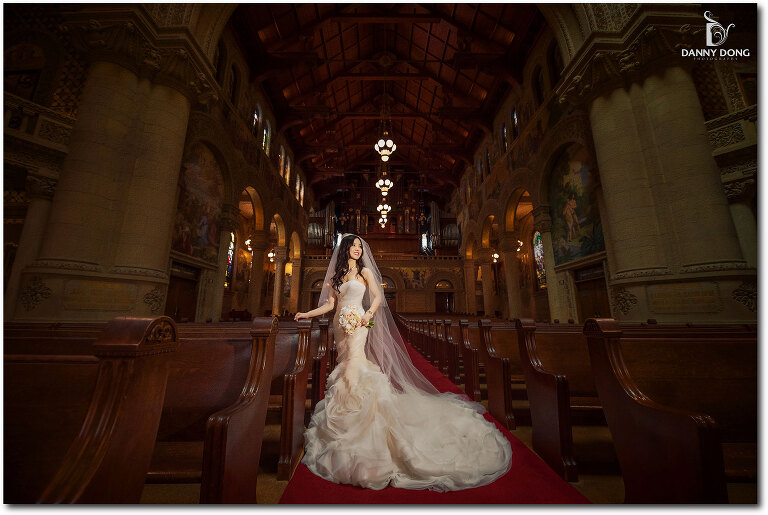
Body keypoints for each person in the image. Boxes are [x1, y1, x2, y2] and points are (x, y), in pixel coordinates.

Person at [294, 234, 512, 491]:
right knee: (344, 367)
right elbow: (330, 304)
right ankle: (346, 420)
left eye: (359, 246)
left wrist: (367, 315)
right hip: (339, 327)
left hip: (360, 324)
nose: (356, 249)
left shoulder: (365, 271)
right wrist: (307, 313)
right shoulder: (336, 277)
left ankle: (356, 423)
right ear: (345, 250)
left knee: (355, 366)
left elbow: (377, 297)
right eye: (352, 246)